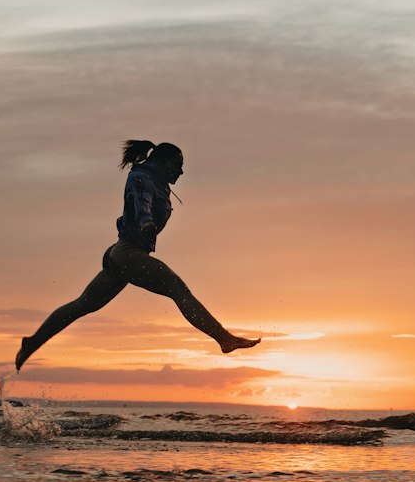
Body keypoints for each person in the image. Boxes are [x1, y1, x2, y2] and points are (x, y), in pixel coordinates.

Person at [15, 139, 260, 371]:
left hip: (122, 254)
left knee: (84, 304)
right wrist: (146, 222)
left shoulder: (156, 182)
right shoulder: (142, 177)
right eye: (177, 165)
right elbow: (140, 202)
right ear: (162, 163)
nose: (181, 172)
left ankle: (32, 342)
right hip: (128, 253)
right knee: (178, 289)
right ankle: (224, 339)